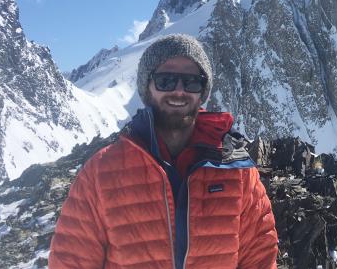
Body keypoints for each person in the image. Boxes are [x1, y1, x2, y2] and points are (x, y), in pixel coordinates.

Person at [49, 34, 278, 269]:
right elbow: (70, 261)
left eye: (192, 82)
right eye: (166, 80)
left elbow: (259, 256)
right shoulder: (101, 172)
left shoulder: (237, 170)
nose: (179, 91)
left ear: (203, 91)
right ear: (147, 88)